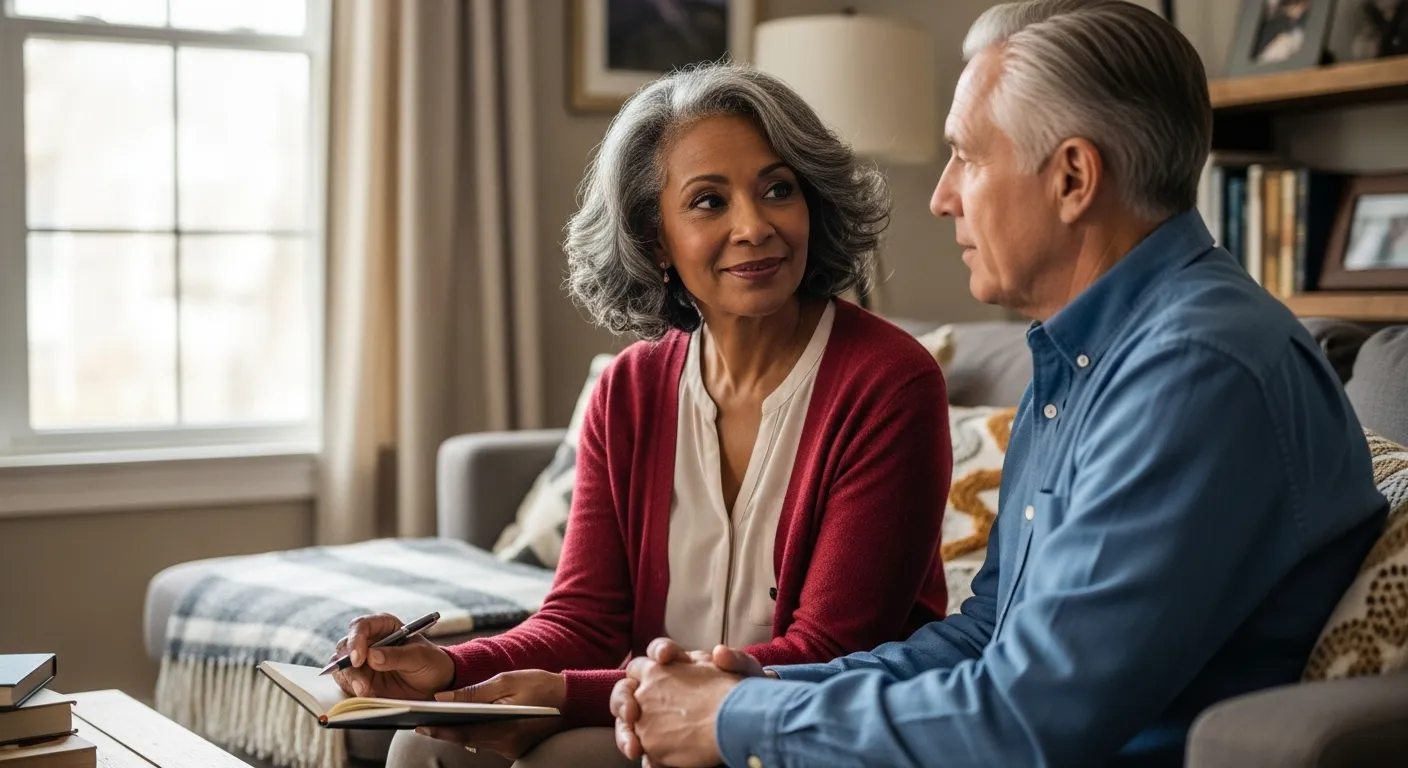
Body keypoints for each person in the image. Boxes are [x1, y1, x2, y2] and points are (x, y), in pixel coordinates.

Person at [609, 2, 1390, 766]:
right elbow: (985, 634)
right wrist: (769, 683)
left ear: (1074, 177)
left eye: (968, 156)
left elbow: (1026, 716)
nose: (942, 194)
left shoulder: (1196, 371)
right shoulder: (1086, 356)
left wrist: (741, 717)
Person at [331, 62, 955, 768]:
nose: (755, 226)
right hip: (650, 714)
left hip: (807, 723)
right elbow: (584, 618)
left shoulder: (889, 382)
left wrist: (569, 695)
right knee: (420, 746)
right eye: (709, 202)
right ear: (655, 240)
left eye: (778, 189)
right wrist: (446, 668)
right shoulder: (629, 390)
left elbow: (828, 652)